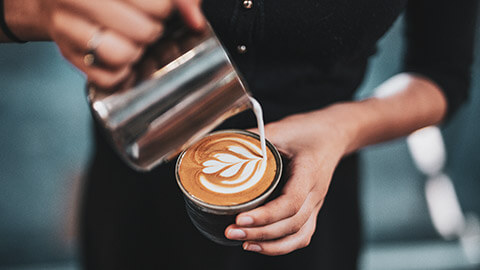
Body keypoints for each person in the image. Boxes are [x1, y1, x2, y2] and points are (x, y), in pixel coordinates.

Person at [1, 0, 478, 269]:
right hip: (139, 170)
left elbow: (442, 75)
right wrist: (36, 11)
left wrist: (342, 128)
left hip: (311, 194)